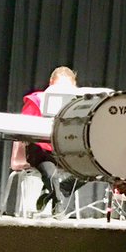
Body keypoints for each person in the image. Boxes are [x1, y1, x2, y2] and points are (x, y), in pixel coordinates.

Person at [19, 66, 78, 211]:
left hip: (65, 151)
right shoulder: (36, 100)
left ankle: (58, 191)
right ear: (51, 83)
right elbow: (24, 127)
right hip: (41, 150)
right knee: (51, 174)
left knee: (92, 169)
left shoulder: (78, 104)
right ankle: (58, 206)